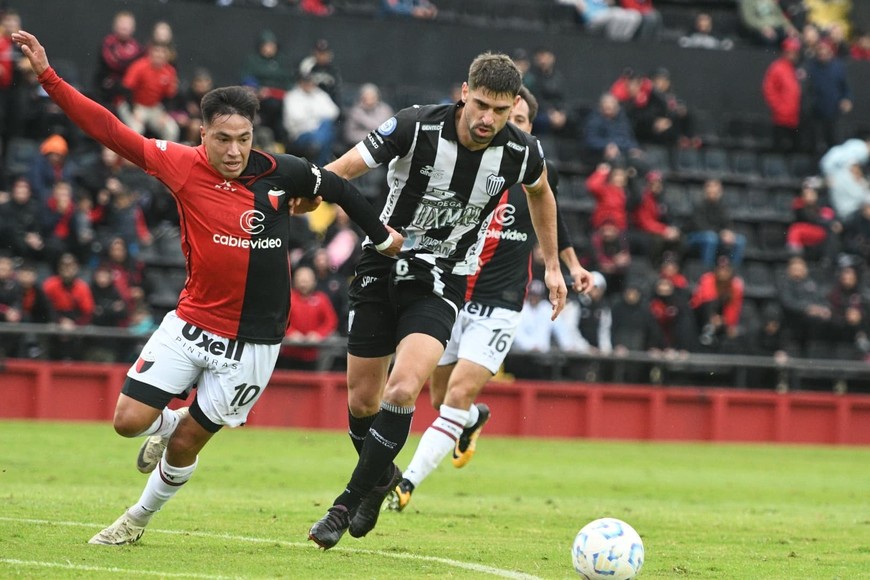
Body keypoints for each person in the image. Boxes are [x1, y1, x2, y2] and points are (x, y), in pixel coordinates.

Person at [13, 29, 403, 546]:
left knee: (187, 445)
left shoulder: (282, 172)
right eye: (223, 139)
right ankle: (168, 423)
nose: (235, 150)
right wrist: (48, 76)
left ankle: (136, 520)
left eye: (244, 138)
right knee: (127, 422)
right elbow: (108, 128)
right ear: (202, 133)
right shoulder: (179, 164)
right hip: (193, 321)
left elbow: (340, 188)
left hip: (255, 342)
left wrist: (382, 237)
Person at [307, 52, 574, 550]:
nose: (487, 119)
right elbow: (348, 165)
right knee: (362, 402)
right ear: (464, 93)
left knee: (403, 389)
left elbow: (542, 194)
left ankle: (344, 505)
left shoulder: (521, 151)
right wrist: (313, 188)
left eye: (500, 110)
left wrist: (554, 265)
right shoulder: (415, 125)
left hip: (442, 279)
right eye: (481, 105)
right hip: (380, 267)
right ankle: (380, 478)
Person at [384, 86, 589, 512]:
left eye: (518, 121)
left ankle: (406, 483)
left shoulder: (531, 173)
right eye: (504, 119)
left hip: (500, 304)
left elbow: (554, 220)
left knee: (456, 395)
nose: (507, 127)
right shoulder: (467, 167)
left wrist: (569, 267)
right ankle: (474, 418)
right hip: (452, 294)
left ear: (530, 129)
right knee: (441, 399)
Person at [762, 37, 803, 153]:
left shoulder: (797, 68)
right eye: (790, 52)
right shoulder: (777, 68)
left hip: (797, 118)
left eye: (795, 52)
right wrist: (780, 108)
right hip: (781, 118)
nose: (793, 55)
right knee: (779, 150)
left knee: (796, 151)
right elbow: (769, 90)